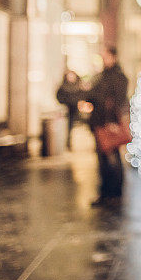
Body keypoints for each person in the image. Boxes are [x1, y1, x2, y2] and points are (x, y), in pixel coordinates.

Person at [82, 46, 129, 207]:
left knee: (112, 160)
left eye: (105, 56)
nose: (103, 59)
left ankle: (113, 193)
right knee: (104, 160)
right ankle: (107, 192)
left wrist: (113, 122)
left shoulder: (117, 77)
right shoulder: (104, 76)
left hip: (108, 124)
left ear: (113, 57)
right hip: (100, 123)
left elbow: (116, 101)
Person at [56, 69, 83, 150]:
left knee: (72, 127)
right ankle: (66, 143)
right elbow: (59, 97)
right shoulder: (63, 87)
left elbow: (81, 96)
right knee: (67, 127)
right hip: (66, 111)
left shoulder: (78, 86)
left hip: (75, 110)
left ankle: (69, 142)